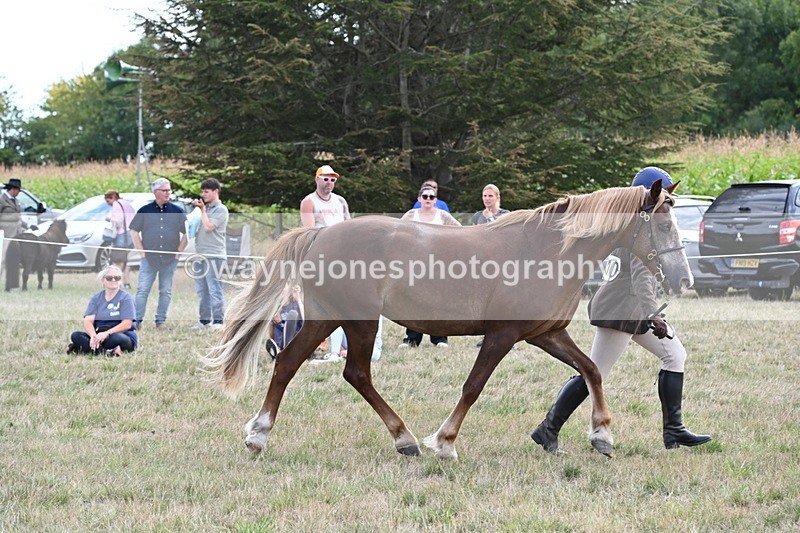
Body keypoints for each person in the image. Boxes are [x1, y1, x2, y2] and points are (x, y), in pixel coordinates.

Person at [530, 166, 712, 454]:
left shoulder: (630, 225)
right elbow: (641, 277)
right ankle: (548, 428)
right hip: (622, 311)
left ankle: (674, 430)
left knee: (675, 355)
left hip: (631, 309)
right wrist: (654, 315)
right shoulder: (641, 229)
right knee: (594, 372)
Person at [299, 164, 384, 363]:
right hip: (324, 256)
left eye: (333, 179)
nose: (329, 183)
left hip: (344, 255)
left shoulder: (340, 201)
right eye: (325, 178)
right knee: (334, 304)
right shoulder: (309, 202)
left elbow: (348, 225)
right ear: (317, 179)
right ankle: (334, 349)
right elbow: (309, 232)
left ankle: (352, 347)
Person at [399, 185, 461, 348]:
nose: (428, 200)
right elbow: (397, 234)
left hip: (438, 264)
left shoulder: (443, 216)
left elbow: (461, 232)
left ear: (436, 200)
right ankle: (412, 338)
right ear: (419, 199)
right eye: (425, 197)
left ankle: (440, 338)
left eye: (431, 197)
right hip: (415, 264)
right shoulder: (411, 215)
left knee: (438, 300)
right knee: (414, 301)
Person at [129, 178, 188, 329]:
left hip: (170, 260)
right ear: (156, 192)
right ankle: (137, 321)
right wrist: (142, 253)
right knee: (142, 290)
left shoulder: (178, 211)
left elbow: (188, 233)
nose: (168, 193)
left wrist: (178, 254)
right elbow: (134, 231)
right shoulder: (144, 210)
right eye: (164, 190)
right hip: (149, 259)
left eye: (169, 190)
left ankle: (160, 321)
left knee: (166, 291)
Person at [66, 265, 138, 357]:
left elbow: (127, 324)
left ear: (120, 280)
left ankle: (81, 348)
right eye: (109, 278)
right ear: (103, 280)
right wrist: (93, 336)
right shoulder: (96, 298)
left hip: (120, 335)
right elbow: (88, 320)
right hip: (99, 335)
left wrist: (106, 333)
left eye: (117, 278)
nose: (113, 280)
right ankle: (107, 352)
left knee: (118, 338)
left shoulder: (126, 298)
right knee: (75, 336)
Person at [471, 183, 510, 347]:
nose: (487, 199)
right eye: (484, 196)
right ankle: (487, 335)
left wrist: (489, 219)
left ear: (497, 197)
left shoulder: (506, 215)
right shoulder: (477, 216)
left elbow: (501, 236)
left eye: (490, 196)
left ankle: (508, 335)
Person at [189, 178, 229, 331]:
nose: (203, 195)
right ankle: (204, 320)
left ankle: (218, 321)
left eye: (206, 191)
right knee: (202, 290)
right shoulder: (203, 210)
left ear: (215, 191)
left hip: (214, 255)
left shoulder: (221, 209)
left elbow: (208, 227)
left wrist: (203, 210)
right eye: (202, 191)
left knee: (215, 288)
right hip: (200, 254)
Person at [1, 178, 34, 280]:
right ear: (13, 189)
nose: (19, 193)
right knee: (2, 259)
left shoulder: (16, 201)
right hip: (5, 234)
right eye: (18, 190)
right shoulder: (1, 200)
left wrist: (28, 226)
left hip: (17, 235)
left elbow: (18, 218)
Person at [104, 190, 135, 289]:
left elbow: (118, 221)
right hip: (130, 234)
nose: (108, 204)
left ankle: (115, 282)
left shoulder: (116, 204)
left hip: (121, 235)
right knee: (124, 261)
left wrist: (109, 219)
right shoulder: (126, 203)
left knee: (117, 261)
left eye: (108, 201)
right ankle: (126, 282)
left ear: (112, 197)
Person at [266, 284, 304, 360]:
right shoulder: (275, 309)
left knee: (293, 314)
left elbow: (306, 321)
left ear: (289, 287)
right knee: (272, 343)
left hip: (295, 343)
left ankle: (284, 350)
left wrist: (298, 299)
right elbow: (272, 336)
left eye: (283, 285)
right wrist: (271, 323)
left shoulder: (297, 305)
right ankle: (280, 350)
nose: (281, 289)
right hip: (280, 343)